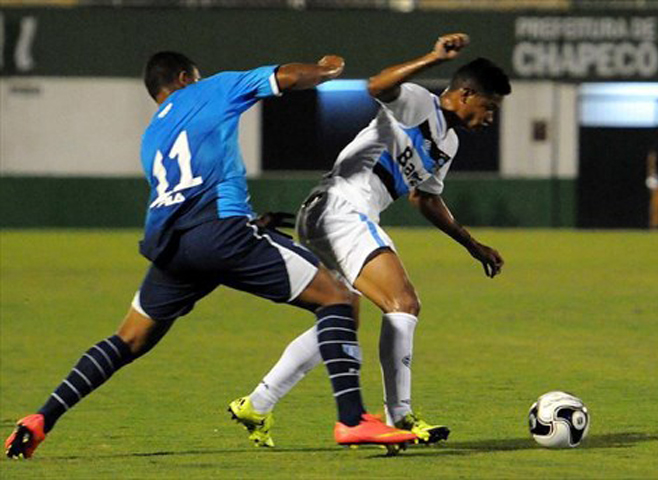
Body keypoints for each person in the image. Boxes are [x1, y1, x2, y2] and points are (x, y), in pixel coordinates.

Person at [4, 51, 418, 460]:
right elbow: (287, 77)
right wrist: (327, 71)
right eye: (196, 76)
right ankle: (351, 418)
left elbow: (189, 187)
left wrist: (248, 219)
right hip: (221, 234)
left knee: (126, 340)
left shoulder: (152, 137)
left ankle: (41, 418)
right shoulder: (211, 88)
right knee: (337, 298)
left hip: (173, 248)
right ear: (185, 77)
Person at [228, 33, 511, 448]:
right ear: (466, 95)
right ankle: (401, 415)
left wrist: (472, 245)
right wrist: (433, 57)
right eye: (489, 107)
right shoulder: (419, 102)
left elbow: (425, 198)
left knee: (341, 316)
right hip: (343, 207)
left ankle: (257, 403)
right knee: (404, 302)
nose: (490, 118)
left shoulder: (447, 143)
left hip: (332, 213)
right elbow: (377, 86)